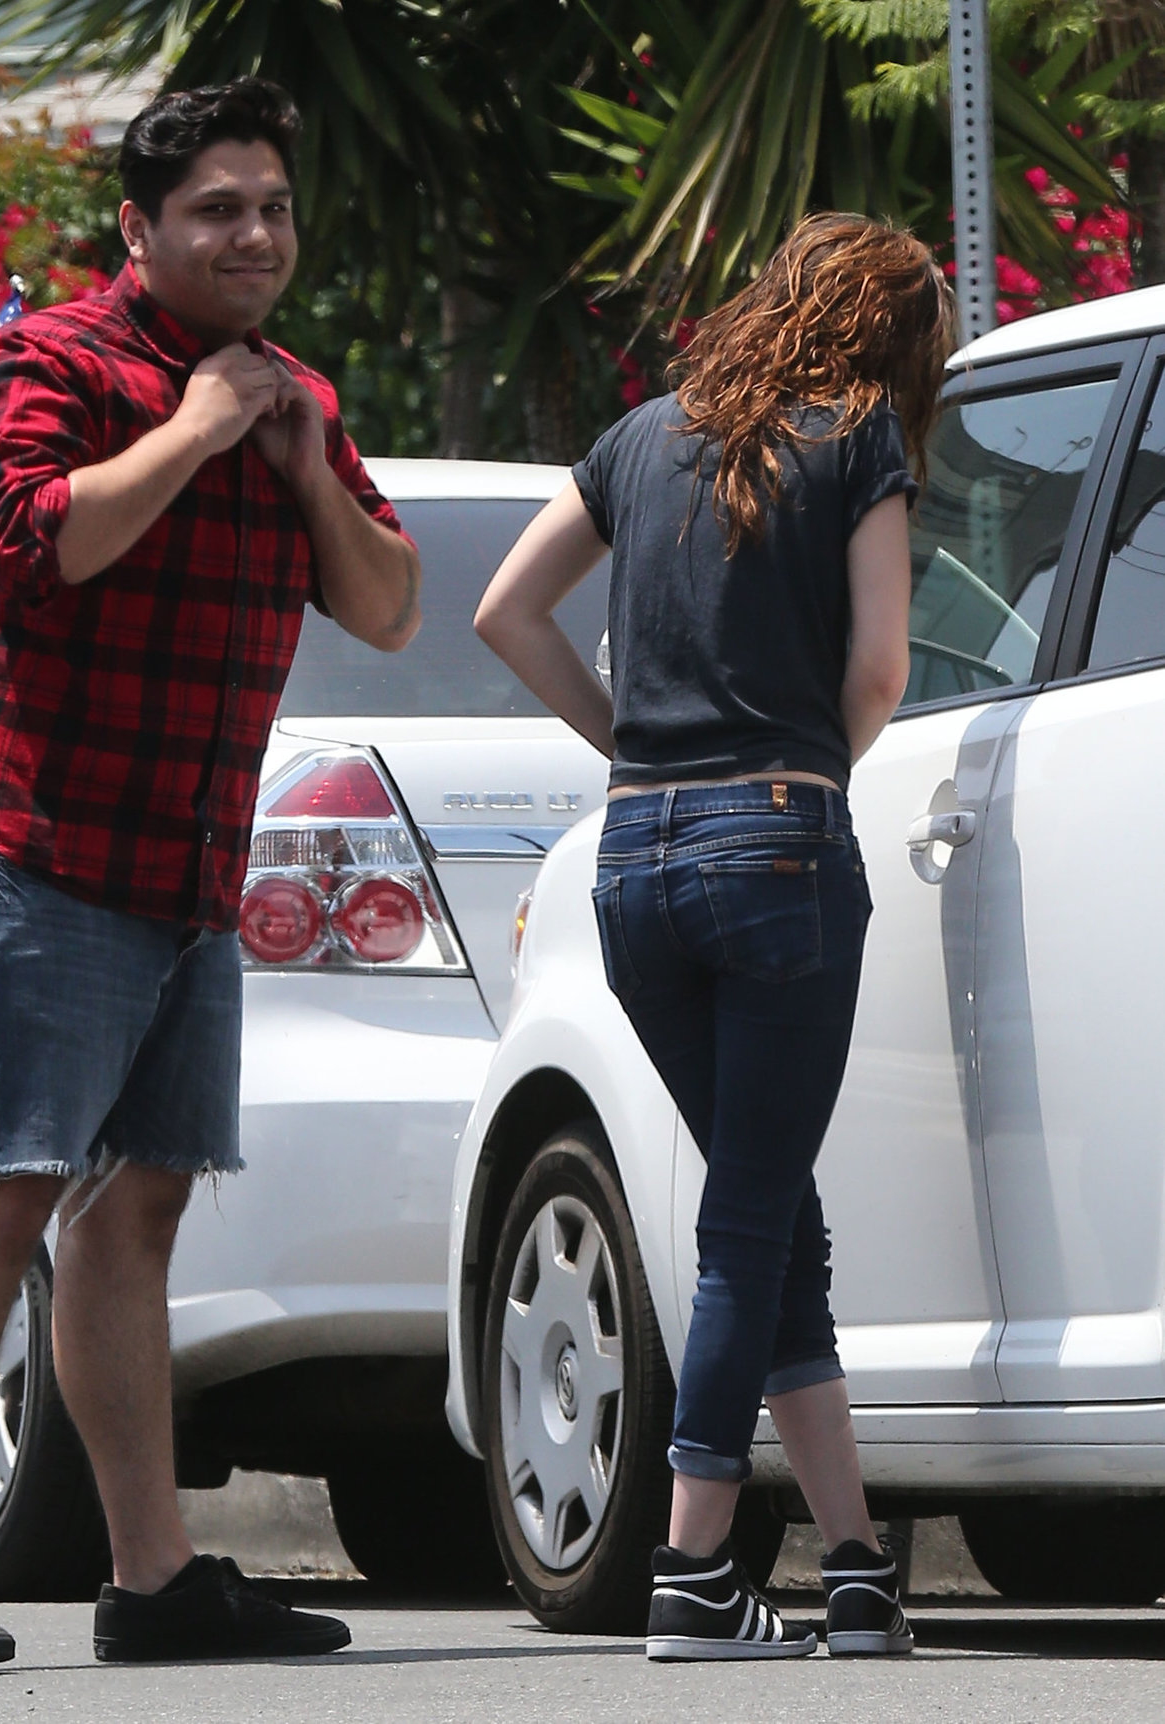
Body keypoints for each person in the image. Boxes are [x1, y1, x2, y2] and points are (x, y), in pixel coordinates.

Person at [0, 79, 420, 1667]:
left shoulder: (290, 395)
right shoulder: (45, 362)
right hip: (25, 848)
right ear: (138, 228)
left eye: (272, 208)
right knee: (8, 1185)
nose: (253, 235)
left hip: (183, 871)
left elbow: (387, 608)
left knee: (137, 1208)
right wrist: (190, 430)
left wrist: (299, 463)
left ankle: (152, 1582)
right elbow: (30, 543)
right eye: (216, 209)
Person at [474, 213, 953, 1661]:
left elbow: (506, 610)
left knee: (772, 1213)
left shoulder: (641, 437)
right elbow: (881, 665)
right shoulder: (860, 437)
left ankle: (856, 1567)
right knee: (748, 1217)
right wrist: (807, 770)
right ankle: (690, 1570)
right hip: (778, 845)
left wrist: (634, 746)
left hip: (634, 860)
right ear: (886, 335)